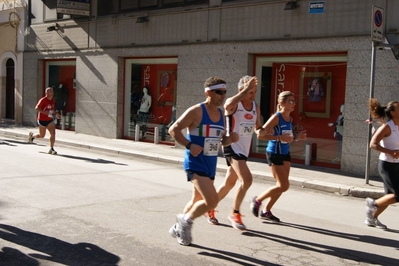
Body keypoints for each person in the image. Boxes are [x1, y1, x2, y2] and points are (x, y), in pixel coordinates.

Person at [168, 76, 238, 246]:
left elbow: (220, 140)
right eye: (219, 92)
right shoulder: (196, 111)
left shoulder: (221, 114)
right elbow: (173, 129)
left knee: (196, 201)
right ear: (208, 92)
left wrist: (230, 139)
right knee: (212, 201)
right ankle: (186, 221)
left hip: (210, 164)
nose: (222, 95)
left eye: (224, 92)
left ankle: (178, 227)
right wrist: (189, 144)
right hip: (195, 162)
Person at [206, 75, 269, 231]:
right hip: (232, 146)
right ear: (241, 90)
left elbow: (258, 129)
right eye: (249, 91)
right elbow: (227, 105)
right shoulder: (234, 104)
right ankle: (235, 213)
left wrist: (264, 131)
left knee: (229, 183)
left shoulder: (255, 106)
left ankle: (209, 207)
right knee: (246, 180)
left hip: (244, 149)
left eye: (254, 91)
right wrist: (244, 91)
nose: (252, 95)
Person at [250, 91, 307, 223]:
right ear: (282, 103)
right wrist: (279, 137)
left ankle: (266, 211)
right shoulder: (277, 117)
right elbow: (261, 135)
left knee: (282, 185)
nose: (293, 104)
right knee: (283, 185)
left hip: (285, 153)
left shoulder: (290, 118)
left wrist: (298, 137)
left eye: (294, 101)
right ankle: (257, 200)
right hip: (274, 152)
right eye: (290, 101)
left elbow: (288, 136)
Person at [365, 98, 399, 229]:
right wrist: (390, 151)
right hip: (387, 165)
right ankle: (373, 203)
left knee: (389, 196)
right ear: (392, 113)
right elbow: (372, 144)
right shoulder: (387, 127)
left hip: (397, 165)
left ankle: (371, 218)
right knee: (397, 195)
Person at [28, 87, 61, 155]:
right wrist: (43, 112)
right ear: (46, 93)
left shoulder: (52, 101)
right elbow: (36, 108)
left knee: (53, 133)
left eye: (52, 92)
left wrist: (56, 113)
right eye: (50, 92)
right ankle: (32, 136)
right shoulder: (43, 100)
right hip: (42, 120)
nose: (52, 93)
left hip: (49, 120)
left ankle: (51, 149)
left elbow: (51, 109)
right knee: (41, 135)